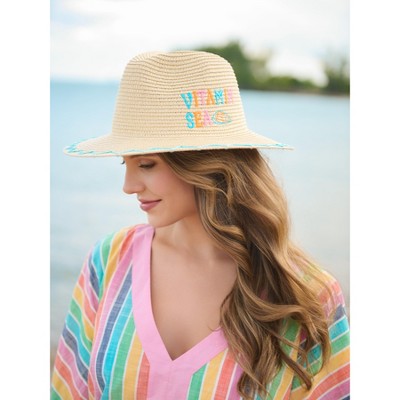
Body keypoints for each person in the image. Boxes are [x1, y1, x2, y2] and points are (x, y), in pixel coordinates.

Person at [51, 51, 350, 400]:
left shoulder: (306, 293)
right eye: (125, 163)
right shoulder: (110, 259)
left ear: (207, 164)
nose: (128, 186)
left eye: (146, 164)